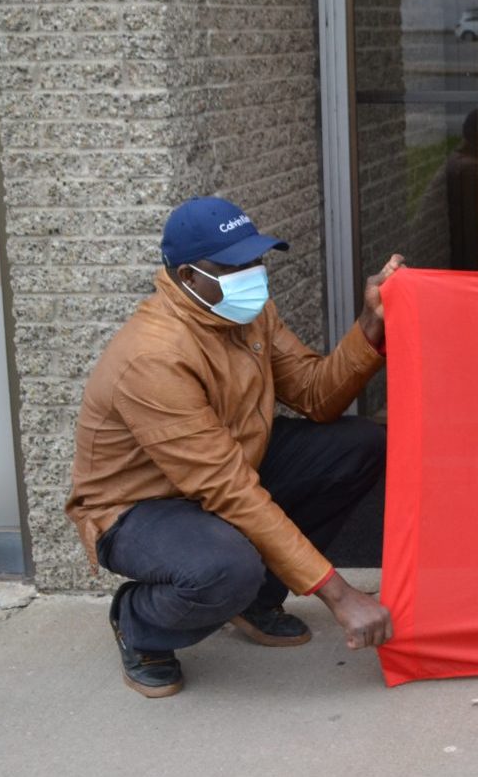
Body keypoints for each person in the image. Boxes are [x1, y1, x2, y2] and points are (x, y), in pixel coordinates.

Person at [67, 197, 402, 697]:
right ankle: (140, 624)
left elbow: (315, 394)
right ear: (187, 275)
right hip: (141, 506)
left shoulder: (246, 312)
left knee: (358, 445)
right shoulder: (153, 357)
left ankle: (256, 600)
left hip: (229, 463)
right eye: (234, 265)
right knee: (225, 567)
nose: (253, 274)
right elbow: (227, 489)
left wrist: (370, 325)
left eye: (256, 259)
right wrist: (339, 594)